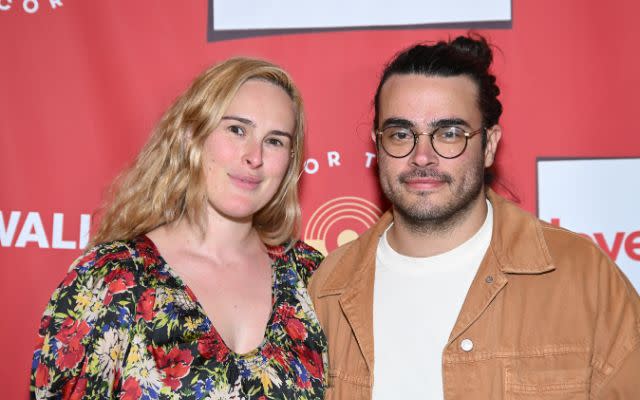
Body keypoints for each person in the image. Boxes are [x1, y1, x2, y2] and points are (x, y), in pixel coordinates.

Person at [309, 35, 640, 399]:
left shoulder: (582, 278)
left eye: (449, 134)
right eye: (401, 134)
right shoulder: (326, 292)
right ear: (379, 145)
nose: (422, 156)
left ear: (490, 146)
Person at [30, 58, 327, 399]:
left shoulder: (311, 277)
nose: (254, 156)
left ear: (290, 160)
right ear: (191, 137)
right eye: (237, 130)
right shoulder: (112, 280)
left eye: (275, 141)